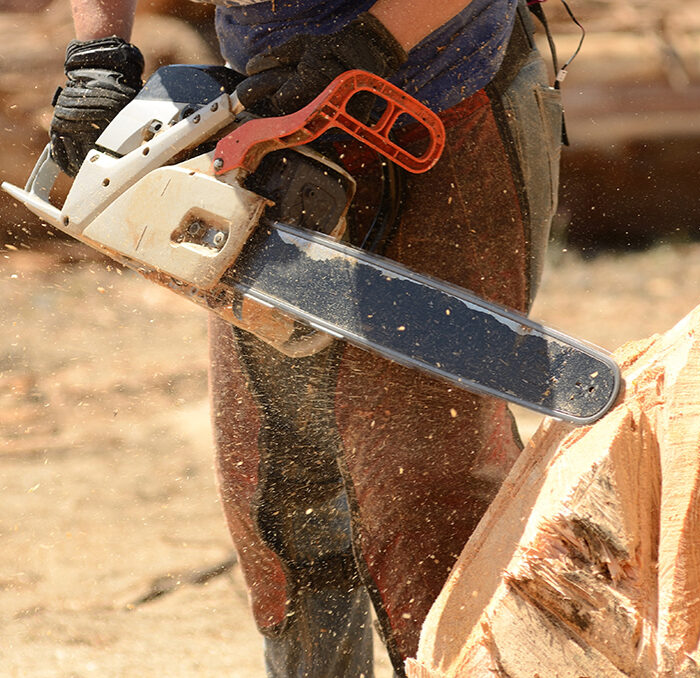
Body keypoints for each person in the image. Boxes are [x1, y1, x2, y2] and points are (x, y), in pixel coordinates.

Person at [49, 0, 563, 675]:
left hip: (446, 93)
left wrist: (369, 43)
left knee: (429, 468)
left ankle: (461, 663)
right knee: (280, 467)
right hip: (274, 101)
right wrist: (99, 55)